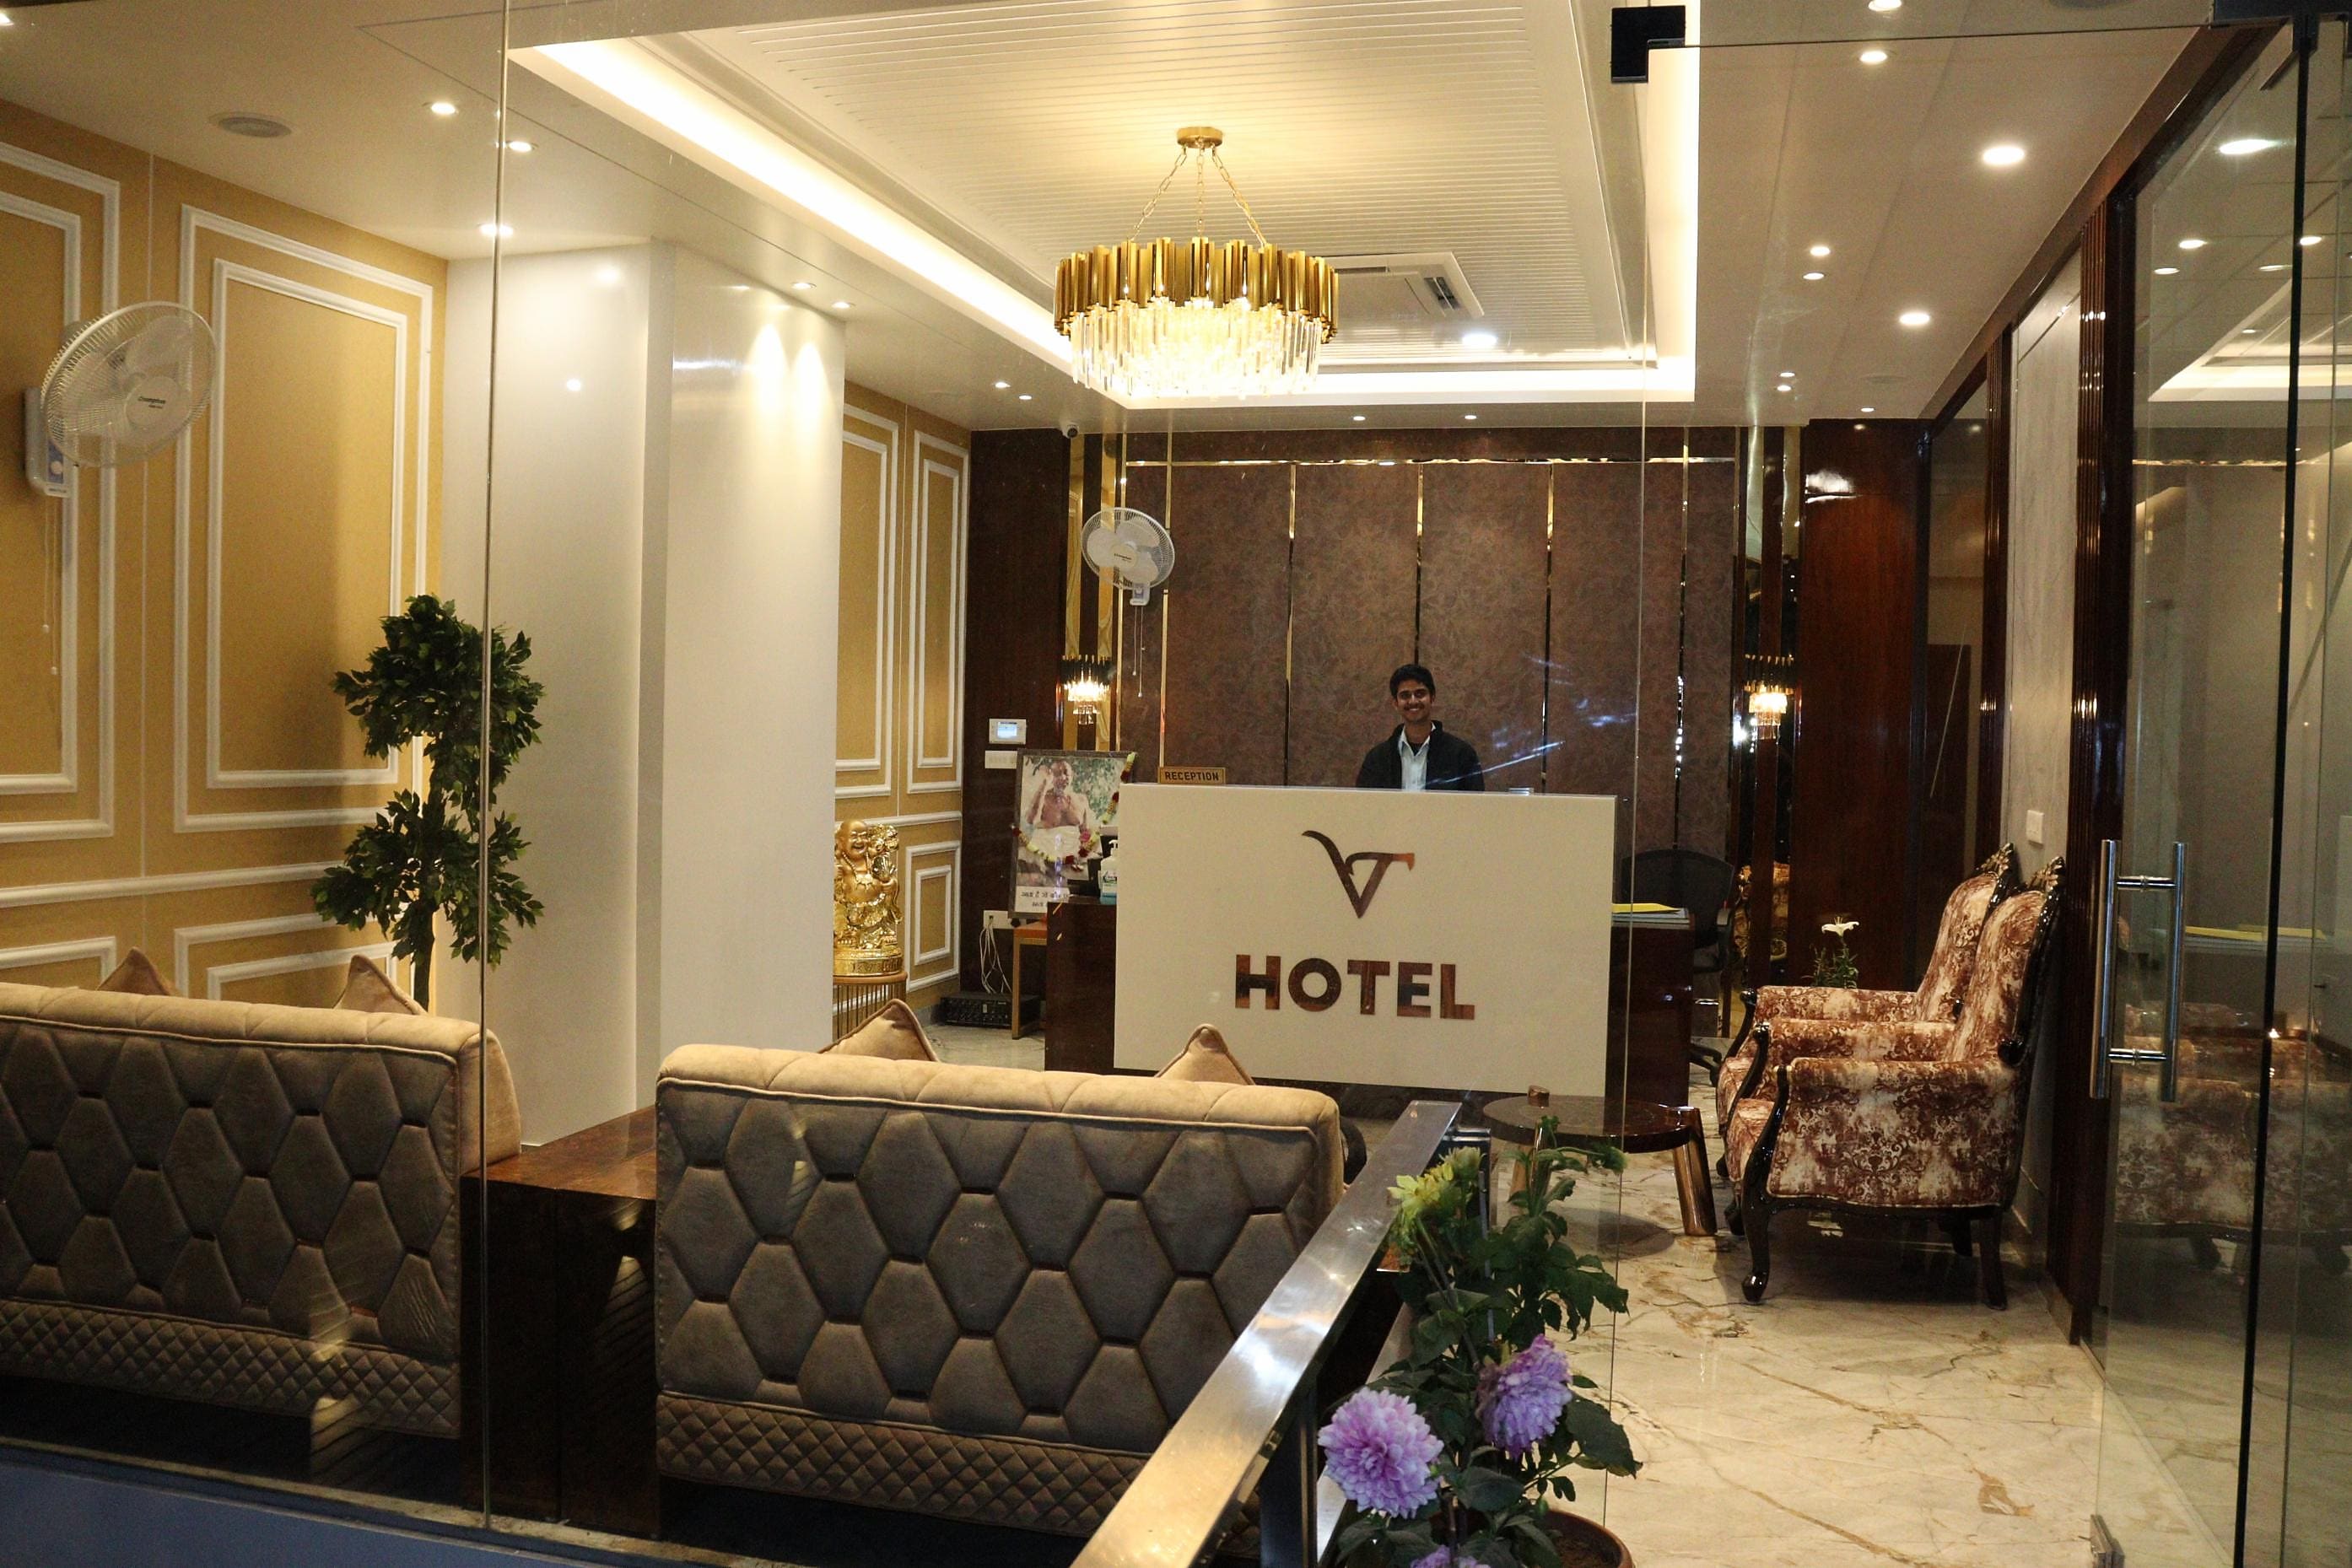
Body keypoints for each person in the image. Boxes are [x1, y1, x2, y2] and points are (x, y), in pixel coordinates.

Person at [1356, 664, 1484, 790]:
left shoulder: (1462, 755)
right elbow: (1362, 802)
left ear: (1432, 698)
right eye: (1405, 695)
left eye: (1420, 694)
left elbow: (1475, 802)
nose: (1413, 701)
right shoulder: (1377, 759)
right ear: (1395, 703)